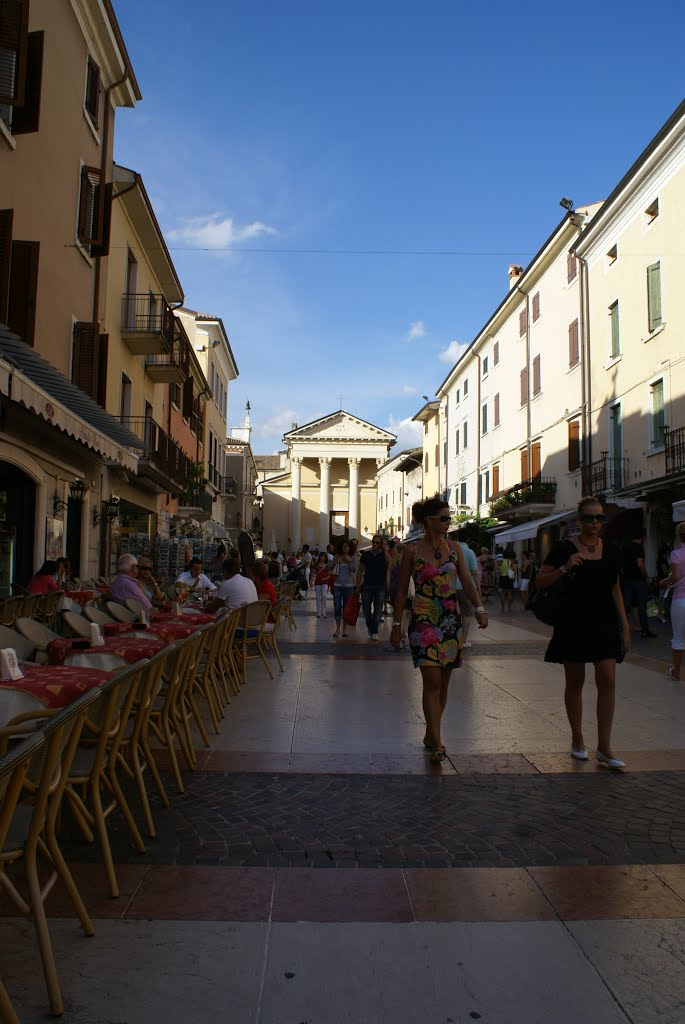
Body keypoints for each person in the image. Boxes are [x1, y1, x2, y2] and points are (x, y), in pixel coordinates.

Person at [535, 495, 630, 768]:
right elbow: (541, 581)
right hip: (573, 622)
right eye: (589, 518)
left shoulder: (611, 550)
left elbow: (615, 589)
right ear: (579, 520)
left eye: (600, 517)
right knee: (575, 683)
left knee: (608, 680)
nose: (595, 523)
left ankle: (604, 747)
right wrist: (565, 567)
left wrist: (624, 626)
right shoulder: (564, 548)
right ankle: (577, 739)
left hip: (604, 622)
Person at [391, 496, 487, 763]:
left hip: (450, 621)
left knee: (443, 684)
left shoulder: (454, 549)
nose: (448, 522)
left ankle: (430, 731)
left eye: (449, 517)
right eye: (444, 518)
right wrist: (396, 625)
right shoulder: (410, 551)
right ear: (428, 521)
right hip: (423, 619)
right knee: (431, 682)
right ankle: (438, 741)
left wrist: (479, 608)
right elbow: (401, 591)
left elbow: (467, 583)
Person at [659, 522, 685, 680]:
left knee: (678, 638)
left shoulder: (676, 554)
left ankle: (676, 671)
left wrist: (663, 582)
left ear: (679, 536)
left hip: (681, 601)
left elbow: (675, 576)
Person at [621, 529, 657, 637]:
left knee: (626, 605)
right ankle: (645, 630)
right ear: (643, 537)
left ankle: (618, 628)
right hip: (638, 580)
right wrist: (646, 577)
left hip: (627, 579)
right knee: (642, 605)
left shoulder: (625, 546)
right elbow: (640, 564)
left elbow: (621, 566)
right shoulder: (639, 547)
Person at [356, 535, 387, 640]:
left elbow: (391, 564)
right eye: (373, 542)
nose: (374, 544)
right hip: (367, 585)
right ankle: (370, 625)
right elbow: (360, 570)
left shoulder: (384, 555)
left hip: (380, 585)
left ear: (381, 544)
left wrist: (385, 550)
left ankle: (374, 631)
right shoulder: (366, 555)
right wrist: (358, 584)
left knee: (378, 609)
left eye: (377, 543)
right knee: (366, 608)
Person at [454, 537, 480, 648]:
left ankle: (453, 639)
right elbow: (475, 572)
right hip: (466, 587)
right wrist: (478, 589)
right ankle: (463, 640)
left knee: (454, 614)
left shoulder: (450, 550)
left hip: (450, 586)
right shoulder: (470, 552)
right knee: (467, 614)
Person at [329, 540, 358, 639]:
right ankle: (337, 629)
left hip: (348, 586)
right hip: (337, 585)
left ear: (350, 548)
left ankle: (344, 629)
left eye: (347, 546)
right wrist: (335, 562)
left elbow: (354, 569)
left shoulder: (353, 557)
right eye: (344, 546)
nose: (345, 548)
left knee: (346, 608)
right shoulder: (337, 556)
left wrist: (349, 560)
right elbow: (330, 567)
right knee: (337, 607)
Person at [499, 546, 517, 612]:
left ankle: (502, 608)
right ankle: (509, 608)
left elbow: (499, 569)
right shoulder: (510, 561)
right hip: (509, 578)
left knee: (502, 594)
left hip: (502, 577)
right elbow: (513, 569)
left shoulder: (501, 561)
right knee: (509, 594)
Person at [313, 552, 331, 618]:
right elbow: (313, 573)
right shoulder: (316, 565)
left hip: (325, 583)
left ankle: (324, 612)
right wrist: (311, 581)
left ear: (325, 557)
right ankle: (318, 612)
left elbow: (329, 575)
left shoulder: (327, 565)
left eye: (323, 556)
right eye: (321, 556)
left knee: (324, 596)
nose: (322, 558)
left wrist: (324, 579)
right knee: (318, 598)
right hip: (317, 583)